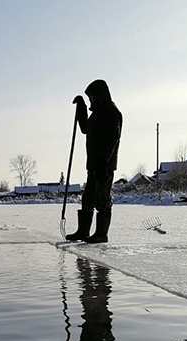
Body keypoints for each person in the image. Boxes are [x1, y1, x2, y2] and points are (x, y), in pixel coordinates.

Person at [65, 79, 122, 243]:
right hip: (93, 165)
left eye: (91, 98)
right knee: (88, 198)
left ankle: (101, 234)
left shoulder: (111, 112)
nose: (90, 101)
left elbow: (112, 138)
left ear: (99, 96)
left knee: (102, 199)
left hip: (104, 165)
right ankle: (83, 232)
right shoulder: (96, 113)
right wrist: (81, 108)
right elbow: (84, 128)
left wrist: (104, 162)